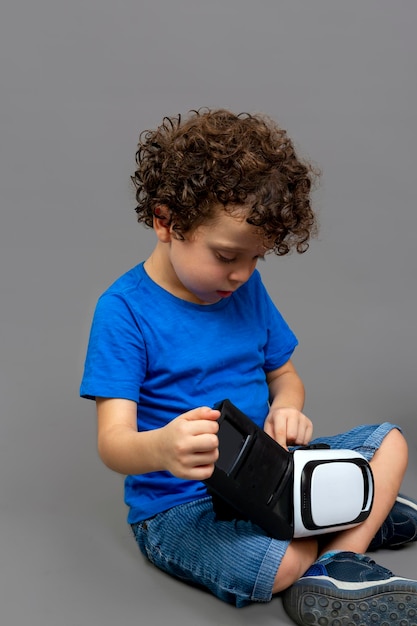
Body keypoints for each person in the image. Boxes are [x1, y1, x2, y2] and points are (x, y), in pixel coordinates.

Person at [80, 108, 417, 625]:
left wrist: (288, 407)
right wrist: (163, 447)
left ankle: (338, 564)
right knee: (286, 561)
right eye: (226, 255)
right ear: (166, 222)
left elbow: (285, 375)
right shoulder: (123, 311)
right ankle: (347, 523)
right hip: (182, 508)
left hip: (270, 476)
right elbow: (113, 444)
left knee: (390, 441)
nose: (241, 274)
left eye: (256, 258)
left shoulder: (244, 287)